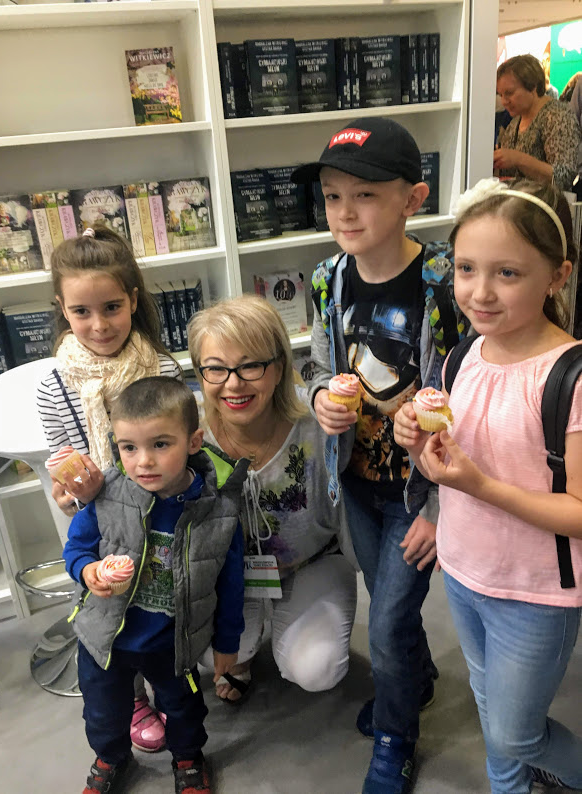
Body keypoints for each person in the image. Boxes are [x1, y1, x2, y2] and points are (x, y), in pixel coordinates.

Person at [290, 117, 467, 794]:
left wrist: (440, 507)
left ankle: (396, 737)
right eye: (333, 196)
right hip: (357, 484)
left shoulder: (445, 282)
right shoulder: (328, 277)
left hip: (417, 491)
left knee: (388, 623)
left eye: (365, 194)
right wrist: (318, 398)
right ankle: (416, 677)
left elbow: (470, 395)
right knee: (385, 600)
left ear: (412, 199)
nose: (345, 212)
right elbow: (316, 363)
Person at [394, 178, 582, 793]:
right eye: (466, 268)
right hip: (464, 571)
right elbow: (448, 466)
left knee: (516, 733)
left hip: (535, 593)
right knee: (488, 704)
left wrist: (478, 486)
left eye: (507, 273)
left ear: (557, 276)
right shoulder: (464, 357)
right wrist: (418, 445)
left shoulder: (569, 377)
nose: (479, 292)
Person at [63, 376, 248, 794]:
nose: (143, 461)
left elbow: (230, 582)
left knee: (183, 708)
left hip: (172, 641)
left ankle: (188, 758)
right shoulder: (108, 493)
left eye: (160, 444)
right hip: (105, 639)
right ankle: (111, 756)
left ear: (194, 442)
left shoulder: (218, 511)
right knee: (102, 711)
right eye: (129, 447)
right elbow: (77, 547)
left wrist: (227, 643)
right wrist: (87, 571)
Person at [36, 224, 180, 753]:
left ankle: (170, 675)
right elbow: (64, 469)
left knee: (159, 597)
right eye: (81, 312)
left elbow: (178, 444)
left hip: (159, 506)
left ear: (133, 301)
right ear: (63, 309)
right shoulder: (54, 386)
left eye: (113, 307)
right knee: (108, 606)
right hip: (98, 518)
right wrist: (75, 490)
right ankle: (133, 695)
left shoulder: (161, 367)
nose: (98, 325)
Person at [187, 295, 358, 703]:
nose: (233, 384)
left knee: (316, 668)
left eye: (250, 366)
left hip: (312, 560)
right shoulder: (186, 433)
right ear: (199, 373)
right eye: (215, 368)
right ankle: (243, 647)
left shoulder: (319, 421)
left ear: (279, 367)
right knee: (209, 655)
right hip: (227, 575)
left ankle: (288, 625)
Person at [494, 54, 581, 191]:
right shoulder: (515, 122)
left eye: (509, 93)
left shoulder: (558, 116)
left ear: (533, 86)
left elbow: (563, 178)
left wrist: (518, 159)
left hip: (546, 203)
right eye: (501, 94)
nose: (504, 101)